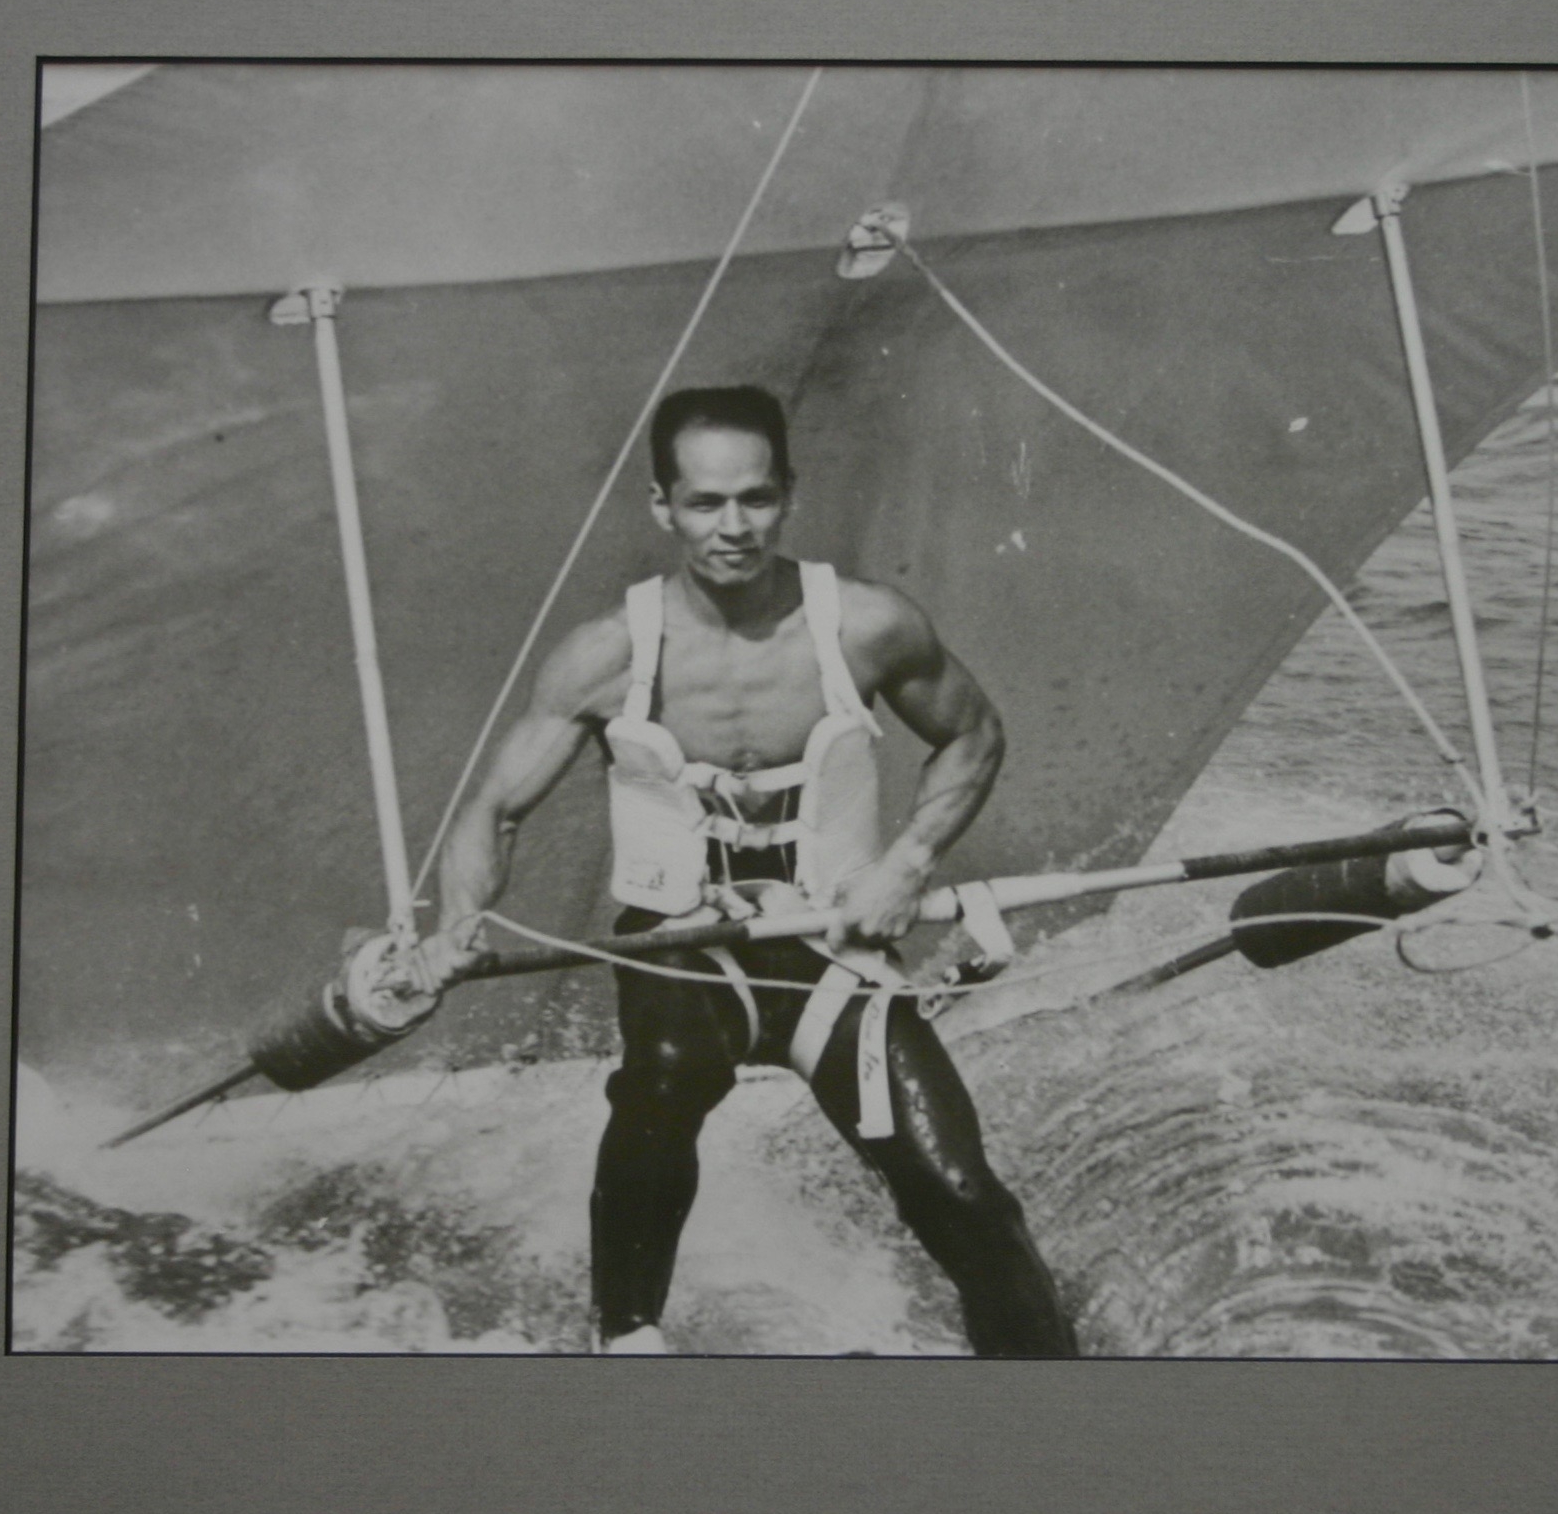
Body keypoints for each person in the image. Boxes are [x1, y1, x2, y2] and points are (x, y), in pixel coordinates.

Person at [417, 385, 1077, 1357]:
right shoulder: (604, 656)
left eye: (755, 500)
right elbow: (493, 809)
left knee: (960, 1189)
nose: (733, 527)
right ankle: (628, 1340)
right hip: (685, 948)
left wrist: (906, 862)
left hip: (834, 950)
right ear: (663, 507)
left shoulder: (864, 625)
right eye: (705, 503)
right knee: (663, 1086)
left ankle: (1052, 1398)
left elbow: (973, 736)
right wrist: (456, 925)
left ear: (787, 497)